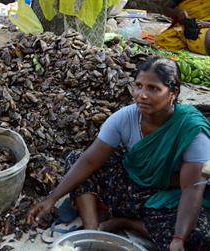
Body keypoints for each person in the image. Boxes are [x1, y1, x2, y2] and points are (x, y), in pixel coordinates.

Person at [27, 57, 210, 251]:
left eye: (153, 88)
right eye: (138, 86)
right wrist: (52, 198)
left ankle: (126, 223)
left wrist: (179, 237)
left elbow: (192, 189)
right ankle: (93, 233)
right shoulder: (125, 117)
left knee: (199, 237)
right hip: (128, 187)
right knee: (76, 160)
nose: (142, 95)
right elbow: (90, 160)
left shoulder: (191, 130)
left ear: (173, 93)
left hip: (162, 198)